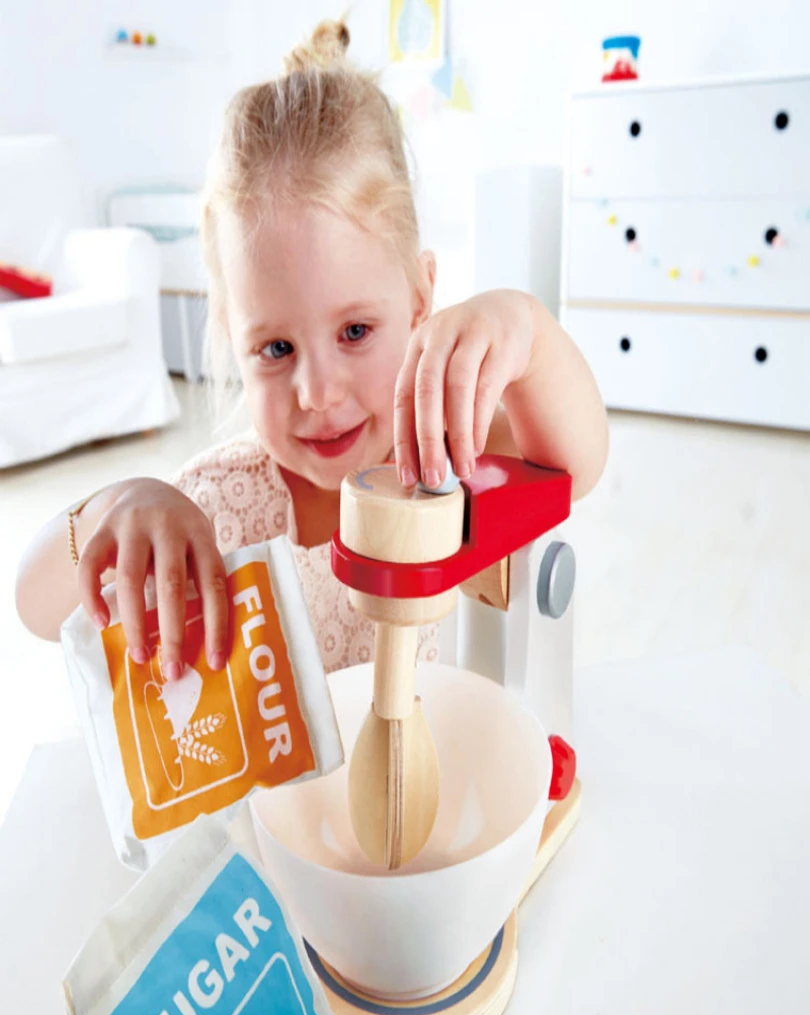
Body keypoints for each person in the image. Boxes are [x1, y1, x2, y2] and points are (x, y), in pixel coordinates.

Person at [15, 19, 608, 680]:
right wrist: (112, 506)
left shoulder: (452, 451)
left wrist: (529, 330)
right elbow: (33, 606)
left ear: (419, 299)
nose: (318, 392)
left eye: (354, 332)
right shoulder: (214, 510)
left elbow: (574, 467)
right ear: (230, 337)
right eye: (275, 347)